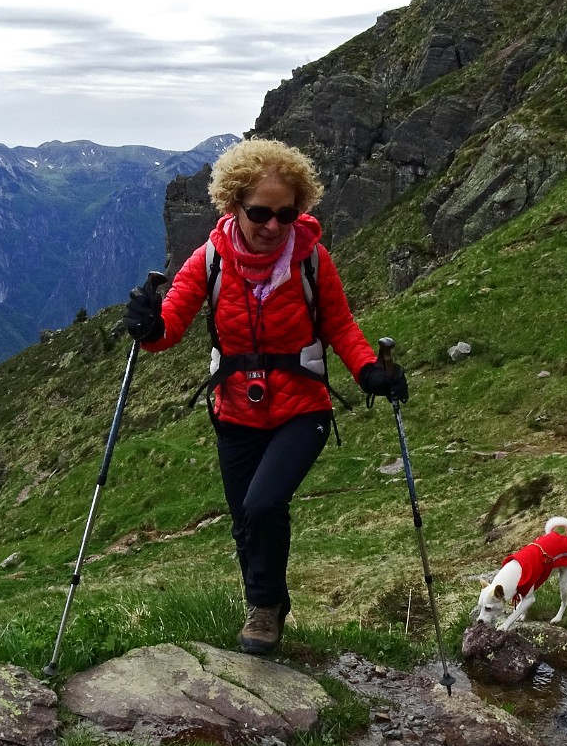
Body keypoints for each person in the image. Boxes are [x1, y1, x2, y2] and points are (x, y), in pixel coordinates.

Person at [122, 138, 407, 655]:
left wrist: (369, 371)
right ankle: (262, 603)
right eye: (260, 213)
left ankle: (268, 607)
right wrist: (146, 325)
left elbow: (340, 325)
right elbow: (170, 329)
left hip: (303, 407)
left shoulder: (312, 259)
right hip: (234, 410)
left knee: (264, 503)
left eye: (286, 213)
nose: (274, 225)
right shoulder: (209, 260)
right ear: (234, 206)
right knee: (245, 519)